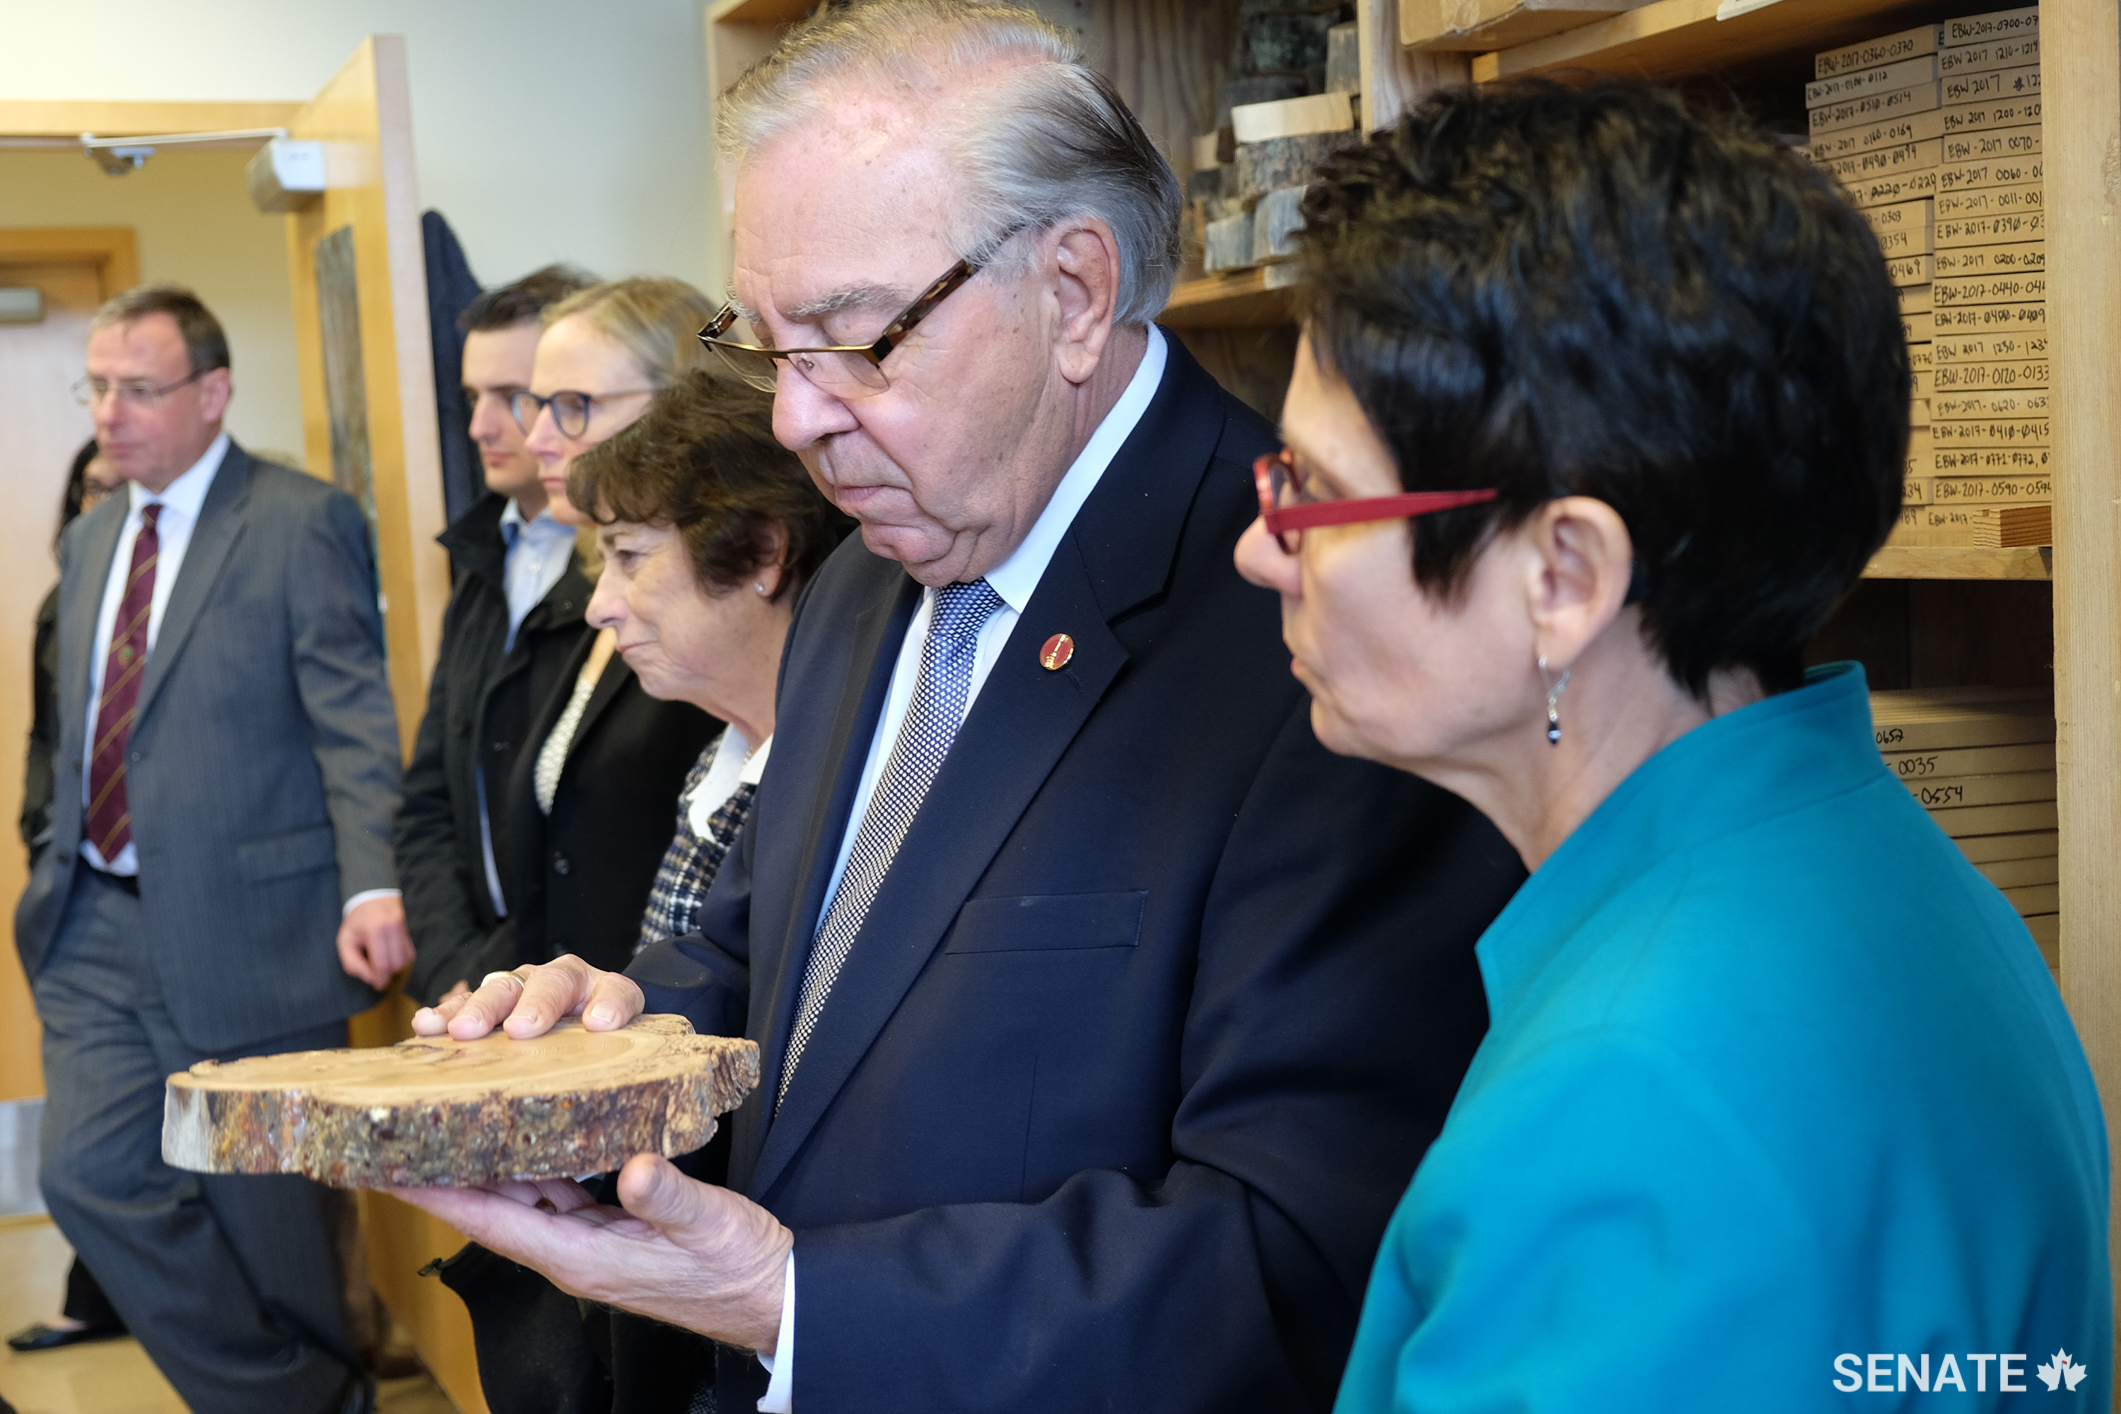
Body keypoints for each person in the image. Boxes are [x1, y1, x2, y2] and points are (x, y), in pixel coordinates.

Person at [399, 5, 1520, 1411]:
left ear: (1072, 292)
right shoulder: (876, 560)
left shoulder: (1315, 635)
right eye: (767, 344)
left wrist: (797, 1304)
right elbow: (765, 965)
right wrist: (606, 1048)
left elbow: (1293, 1258)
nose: (797, 420)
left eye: (855, 341)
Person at [1227, 81, 2110, 1410]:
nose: (1258, 549)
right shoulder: (1887, 871)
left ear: (1564, 572)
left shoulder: (1633, 1101)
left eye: (1311, 492)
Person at [12, 285, 406, 1414]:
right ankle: (299, 1402)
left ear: (213, 391)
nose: (110, 411)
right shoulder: (90, 541)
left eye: (138, 387)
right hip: (93, 917)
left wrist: (371, 877)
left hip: (255, 925)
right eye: (96, 386)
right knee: (87, 1177)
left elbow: (353, 717)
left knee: (272, 1221)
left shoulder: (297, 519)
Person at [494, 278, 722, 976]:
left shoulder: (723, 600)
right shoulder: (585, 589)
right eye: (536, 407)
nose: (537, 441)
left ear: (677, 406)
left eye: (574, 407)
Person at [395, 264, 599, 1006]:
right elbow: (429, 804)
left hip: (585, 982)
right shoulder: (482, 561)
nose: (482, 425)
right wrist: (455, 970)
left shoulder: (623, 579)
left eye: (513, 396)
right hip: (472, 985)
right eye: (472, 397)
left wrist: (500, 976)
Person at [9, 438, 127, 1357]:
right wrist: (43, 841)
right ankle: (98, 1294)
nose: (105, 505)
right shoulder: (62, 604)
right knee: (85, 1153)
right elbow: (48, 743)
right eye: (91, 490)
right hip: (84, 897)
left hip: (199, 908)